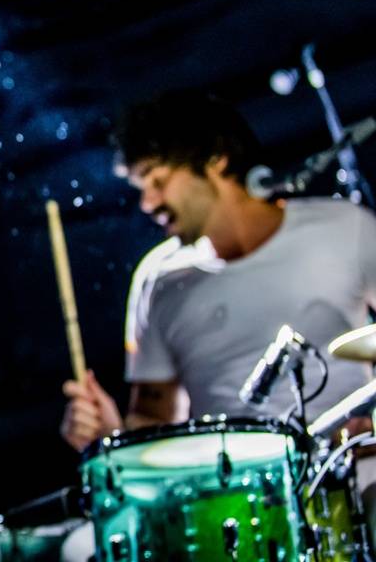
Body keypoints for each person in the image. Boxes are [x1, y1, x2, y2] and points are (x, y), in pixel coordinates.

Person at [58, 90, 376, 555]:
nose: (147, 202)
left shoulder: (346, 228)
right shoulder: (158, 281)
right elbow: (153, 419)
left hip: (354, 469)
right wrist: (112, 435)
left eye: (158, 180)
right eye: (141, 187)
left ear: (216, 160)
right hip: (226, 501)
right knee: (80, 549)